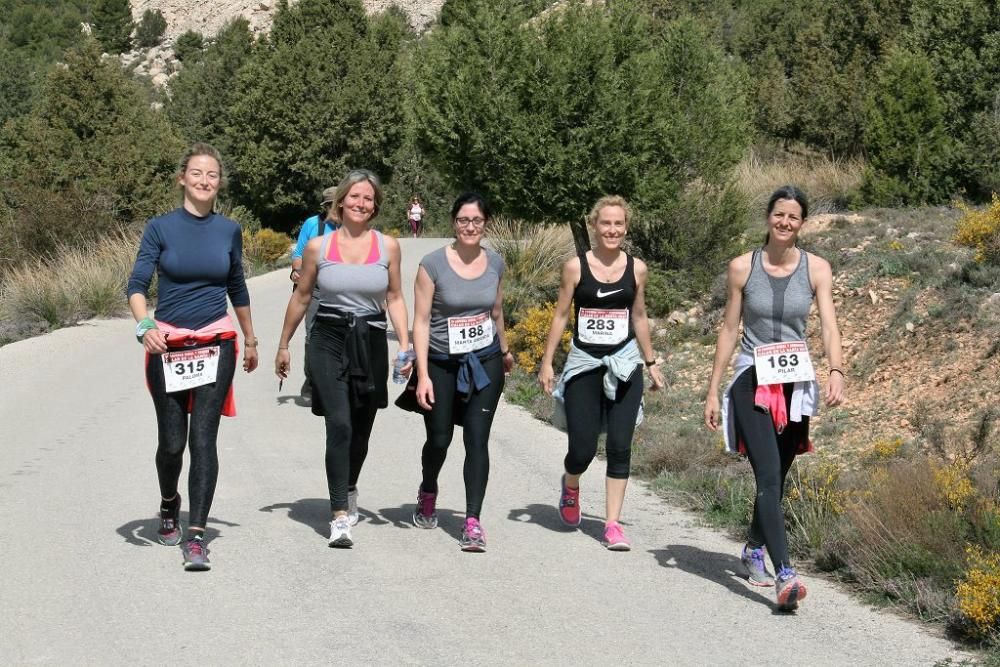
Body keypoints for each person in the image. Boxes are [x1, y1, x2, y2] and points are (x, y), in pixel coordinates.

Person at [703, 185, 845, 611]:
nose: (785, 223)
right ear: (768, 217)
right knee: (766, 473)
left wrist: (836, 370)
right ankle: (785, 573)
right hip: (752, 375)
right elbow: (729, 329)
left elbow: (830, 325)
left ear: (802, 223)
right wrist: (713, 388)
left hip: (795, 381)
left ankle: (752, 548)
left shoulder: (817, 268)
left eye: (794, 217)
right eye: (779, 215)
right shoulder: (741, 268)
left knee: (778, 476)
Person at [127, 143, 259, 571]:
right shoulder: (160, 228)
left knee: (204, 440)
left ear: (220, 182)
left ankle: (197, 535)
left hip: (215, 343)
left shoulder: (229, 230)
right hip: (166, 344)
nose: (205, 181)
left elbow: (237, 286)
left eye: (213, 175)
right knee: (172, 444)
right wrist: (145, 328)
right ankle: (170, 503)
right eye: (197, 173)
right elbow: (137, 283)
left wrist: (252, 338)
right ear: (183, 178)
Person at [275, 169, 410, 548]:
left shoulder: (389, 247)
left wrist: (404, 344)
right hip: (328, 337)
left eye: (367, 198)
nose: (360, 203)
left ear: (375, 206)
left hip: (368, 338)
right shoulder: (320, 247)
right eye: (354, 197)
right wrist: (284, 344)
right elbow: (302, 297)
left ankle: (349, 485)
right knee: (340, 423)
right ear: (340, 202)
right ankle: (338, 516)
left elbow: (395, 298)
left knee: (362, 427)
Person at [538, 195, 665, 551]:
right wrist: (548, 361)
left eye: (618, 224)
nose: (612, 230)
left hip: (625, 363)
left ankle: (612, 525)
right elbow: (562, 315)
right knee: (582, 449)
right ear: (594, 226)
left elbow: (638, 316)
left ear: (626, 228)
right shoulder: (575, 268)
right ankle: (571, 483)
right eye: (605, 223)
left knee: (620, 446)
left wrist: (651, 362)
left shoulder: (636, 269)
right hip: (584, 364)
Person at [411, 192, 513, 552]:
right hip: (441, 362)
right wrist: (422, 374)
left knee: (476, 439)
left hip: (484, 361)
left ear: (485, 224)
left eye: (477, 221)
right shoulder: (432, 264)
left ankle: (472, 521)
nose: (470, 227)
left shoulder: (495, 262)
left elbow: (496, 311)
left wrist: (504, 350)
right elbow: (421, 322)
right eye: (463, 220)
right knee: (439, 438)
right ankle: (428, 488)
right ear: (454, 223)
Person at [289, 187, 340, 399]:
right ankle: (311, 383)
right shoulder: (313, 224)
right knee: (313, 334)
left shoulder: (353, 226)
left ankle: (335, 381)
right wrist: (296, 271)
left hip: (340, 288)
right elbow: (299, 253)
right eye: (329, 206)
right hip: (314, 287)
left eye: (336, 204)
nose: (333, 210)